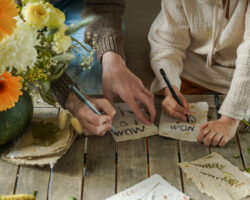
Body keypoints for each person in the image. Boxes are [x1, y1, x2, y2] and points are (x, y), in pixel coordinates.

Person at [148, 0, 250, 146]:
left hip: (241, 75)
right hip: (192, 71)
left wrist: (230, 119)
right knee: (159, 118)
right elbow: (167, 44)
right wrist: (170, 89)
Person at [52, 0, 156, 136]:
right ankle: (86, 117)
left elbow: (104, 5)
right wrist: (71, 99)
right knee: (62, 63)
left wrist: (112, 59)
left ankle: (97, 118)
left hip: (75, 4)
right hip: (19, 18)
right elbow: (22, 50)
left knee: (93, 59)